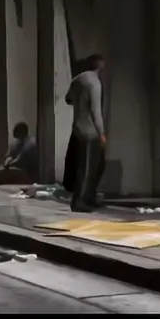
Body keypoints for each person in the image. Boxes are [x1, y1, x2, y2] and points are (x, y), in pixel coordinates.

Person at [65, 54, 106, 212]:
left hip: (77, 128)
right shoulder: (94, 83)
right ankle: (80, 201)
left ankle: (89, 198)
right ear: (100, 65)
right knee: (89, 168)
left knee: (94, 165)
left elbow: (68, 99)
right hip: (90, 131)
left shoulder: (77, 80)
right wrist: (101, 133)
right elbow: (96, 111)